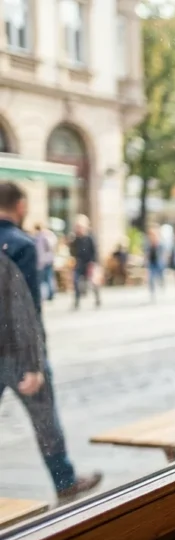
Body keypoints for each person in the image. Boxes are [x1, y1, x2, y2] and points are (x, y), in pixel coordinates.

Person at [0, 183, 102, 500]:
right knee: (45, 418)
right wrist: (34, 363)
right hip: (18, 352)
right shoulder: (22, 245)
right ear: (20, 206)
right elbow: (28, 309)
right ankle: (64, 481)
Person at [70, 214, 100, 309]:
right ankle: (76, 301)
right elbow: (73, 251)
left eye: (80, 227)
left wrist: (93, 263)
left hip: (89, 263)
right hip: (79, 263)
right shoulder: (76, 239)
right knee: (76, 281)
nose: (78, 229)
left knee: (93, 282)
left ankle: (97, 298)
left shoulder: (90, 238)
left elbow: (94, 251)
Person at [34, 224, 57, 301]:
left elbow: (40, 250)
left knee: (43, 279)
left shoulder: (40, 237)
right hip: (49, 259)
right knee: (49, 277)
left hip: (43, 261)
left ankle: (46, 295)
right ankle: (51, 294)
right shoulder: (49, 235)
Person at [145, 226, 165, 301]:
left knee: (160, 277)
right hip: (152, 263)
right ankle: (152, 292)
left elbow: (163, 253)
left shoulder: (160, 244)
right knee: (151, 278)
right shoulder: (148, 244)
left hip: (159, 263)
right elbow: (147, 254)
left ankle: (162, 284)